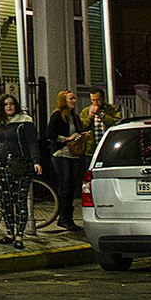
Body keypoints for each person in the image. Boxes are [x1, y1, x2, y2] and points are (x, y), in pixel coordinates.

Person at [0, 92, 41, 250]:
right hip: (3, 165)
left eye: (11, 103)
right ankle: (9, 232)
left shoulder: (24, 122)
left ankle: (20, 234)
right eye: (5, 104)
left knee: (20, 200)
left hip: (21, 165)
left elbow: (32, 143)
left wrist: (36, 161)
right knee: (6, 200)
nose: (9, 106)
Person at [44, 90, 86, 231]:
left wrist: (80, 135)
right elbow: (49, 134)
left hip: (73, 153)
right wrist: (66, 139)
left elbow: (77, 131)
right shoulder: (58, 115)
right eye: (71, 98)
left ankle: (68, 217)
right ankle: (64, 217)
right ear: (64, 100)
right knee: (65, 184)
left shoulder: (74, 116)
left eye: (74, 98)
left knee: (73, 185)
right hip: (61, 153)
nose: (74, 101)